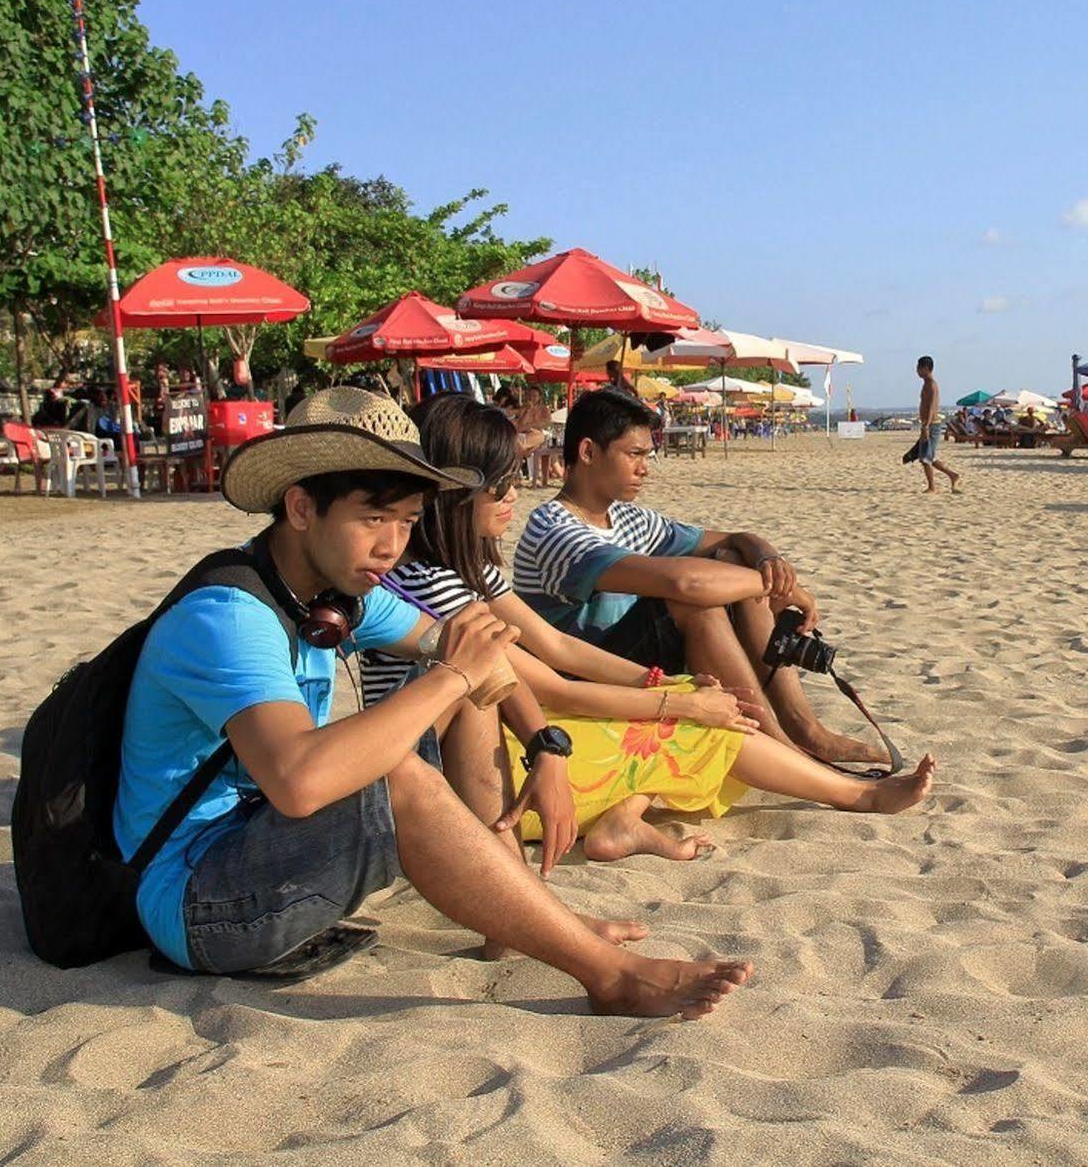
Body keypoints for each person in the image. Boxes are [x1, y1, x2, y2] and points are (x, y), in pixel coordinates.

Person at [112, 386, 748, 1018]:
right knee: (399, 773)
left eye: (409, 522)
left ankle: (520, 913)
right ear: (302, 508)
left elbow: (484, 654)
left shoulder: (333, 593)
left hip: (260, 844)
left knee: (467, 700)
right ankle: (610, 976)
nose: (391, 546)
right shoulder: (230, 616)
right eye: (373, 518)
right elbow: (298, 784)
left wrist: (545, 747)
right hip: (200, 904)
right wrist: (450, 674)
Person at [363, 396, 935, 860]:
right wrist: (673, 702)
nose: (515, 493)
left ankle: (636, 814)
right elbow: (553, 679)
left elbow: (552, 645)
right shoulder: (471, 566)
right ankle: (856, 794)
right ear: (457, 492)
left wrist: (666, 684)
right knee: (684, 723)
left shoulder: (472, 570)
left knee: (696, 691)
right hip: (455, 764)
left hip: (514, 719)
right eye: (502, 482)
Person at [514, 388, 890, 769]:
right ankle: (781, 746)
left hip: (627, 661)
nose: (645, 468)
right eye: (634, 455)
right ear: (589, 452)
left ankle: (805, 729)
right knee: (697, 603)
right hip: (582, 677)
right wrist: (782, 586)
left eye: (648, 455)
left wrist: (767, 558)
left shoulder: (628, 518)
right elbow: (685, 585)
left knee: (730, 560)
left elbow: (734, 539)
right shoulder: (554, 528)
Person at [913, 355, 961, 494]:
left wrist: (926, 426)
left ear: (926, 368)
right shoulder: (926, 384)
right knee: (927, 457)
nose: (917, 371)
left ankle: (933, 486)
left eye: (919, 368)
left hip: (932, 425)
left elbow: (932, 407)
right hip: (928, 424)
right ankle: (952, 475)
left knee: (926, 458)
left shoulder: (932, 385)